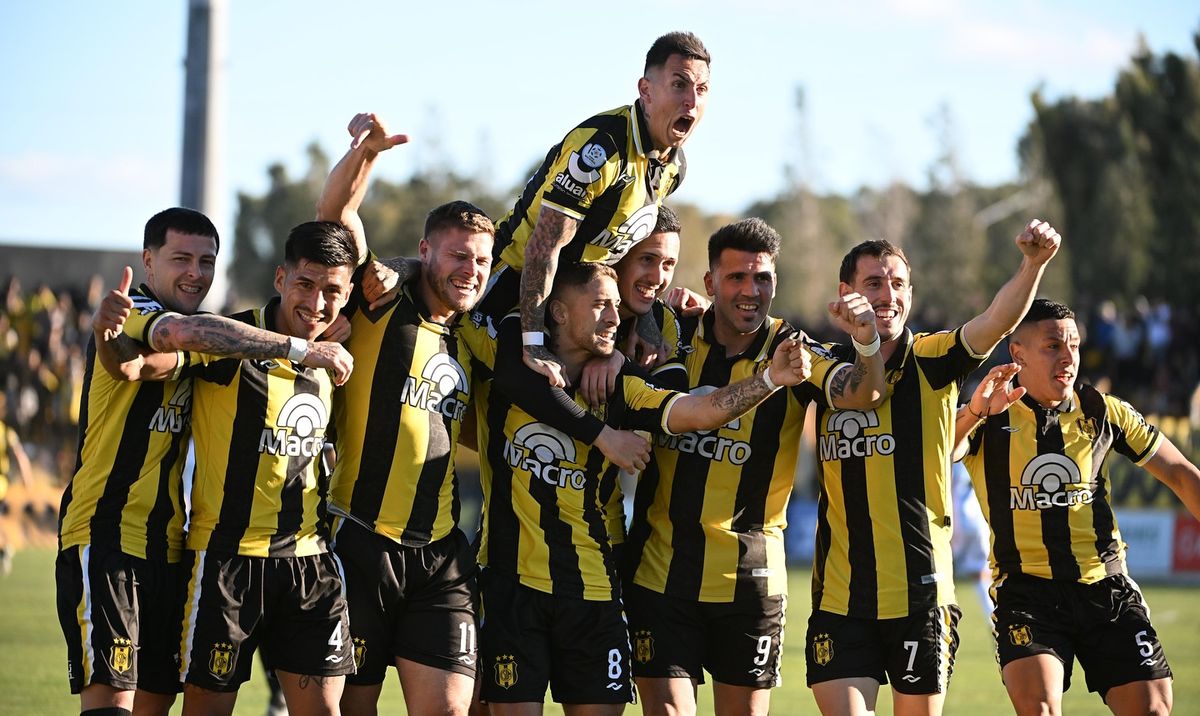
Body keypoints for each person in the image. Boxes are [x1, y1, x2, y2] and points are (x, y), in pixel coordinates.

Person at [475, 261, 815, 714]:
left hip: (595, 592)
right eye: (600, 305)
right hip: (511, 585)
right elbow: (456, 304)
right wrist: (404, 269)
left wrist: (769, 378)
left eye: (616, 307)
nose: (614, 318)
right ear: (557, 311)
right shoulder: (501, 363)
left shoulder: (625, 387)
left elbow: (700, 411)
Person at [621, 218, 886, 716]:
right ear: (709, 283)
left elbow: (865, 393)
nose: (750, 291)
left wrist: (867, 341)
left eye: (762, 278)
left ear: (775, 283)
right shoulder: (672, 334)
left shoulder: (795, 351)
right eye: (736, 278)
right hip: (661, 573)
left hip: (751, 580)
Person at [803, 220, 1061, 716]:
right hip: (841, 598)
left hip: (921, 597)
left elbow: (996, 320)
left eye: (898, 284)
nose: (888, 295)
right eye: (873, 283)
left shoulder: (934, 357)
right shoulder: (822, 367)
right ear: (845, 292)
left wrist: (1033, 265)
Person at [954, 298, 1200, 715]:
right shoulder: (988, 413)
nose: (1068, 357)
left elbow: (1178, 471)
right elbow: (943, 451)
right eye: (1053, 346)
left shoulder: (1104, 411)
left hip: (1106, 587)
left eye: (1074, 345)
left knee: (1154, 708)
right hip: (1026, 591)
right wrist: (975, 412)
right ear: (1018, 354)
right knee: (1040, 708)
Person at [160, 222, 358, 715]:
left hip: (309, 562)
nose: (317, 303)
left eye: (332, 291)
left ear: (347, 293)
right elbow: (170, 345)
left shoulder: (340, 354)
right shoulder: (231, 340)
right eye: (304, 284)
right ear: (280, 279)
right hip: (226, 560)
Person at [475, 31, 710, 384]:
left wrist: (641, 317)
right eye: (679, 85)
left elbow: (630, 250)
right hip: (508, 286)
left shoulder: (674, 168)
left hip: (571, 306)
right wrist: (533, 343)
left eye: (702, 90)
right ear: (646, 91)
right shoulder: (602, 148)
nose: (691, 101)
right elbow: (543, 247)